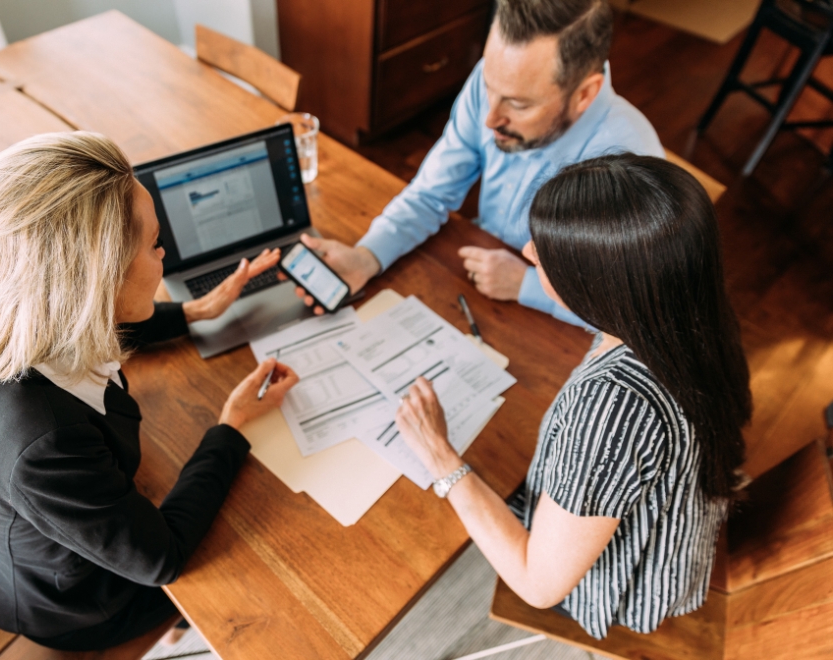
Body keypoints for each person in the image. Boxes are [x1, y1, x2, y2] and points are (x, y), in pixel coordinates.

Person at [0, 132, 299, 651]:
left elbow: (76, 322)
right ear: (95, 282)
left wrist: (194, 311)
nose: (165, 252)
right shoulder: (46, 446)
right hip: (73, 603)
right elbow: (161, 558)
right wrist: (230, 426)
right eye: (153, 244)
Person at [394, 154, 752, 639]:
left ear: (598, 288)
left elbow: (538, 585)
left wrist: (440, 457)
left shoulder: (613, 411)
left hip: (624, 589)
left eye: (548, 253)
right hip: (676, 528)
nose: (527, 251)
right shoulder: (683, 311)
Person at [288, 0, 664, 326]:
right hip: (475, 284)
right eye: (489, 87)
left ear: (584, 94)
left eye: (518, 104)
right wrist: (367, 257)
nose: (490, 118)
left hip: (558, 330)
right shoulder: (496, 83)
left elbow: (635, 307)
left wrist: (526, 285)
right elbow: (430, 194)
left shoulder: (633, 163)